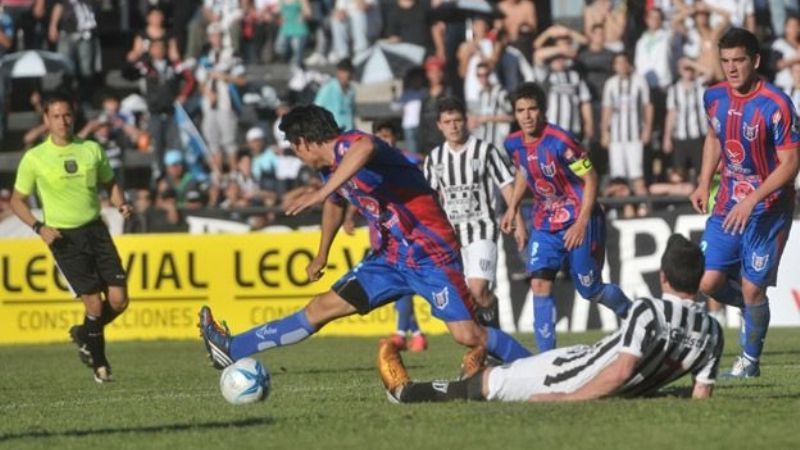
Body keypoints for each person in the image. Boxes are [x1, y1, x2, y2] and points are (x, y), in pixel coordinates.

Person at [198, 104, 532, 373]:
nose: (296, 154)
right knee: (320, 307)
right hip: (389, 259)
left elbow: (366, 147)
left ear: (304, 142)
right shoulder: (330, 171)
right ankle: (231, 349)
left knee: (467, 335)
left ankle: (533, 368)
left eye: (294, 147)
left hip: (430, 255)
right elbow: (334, 203)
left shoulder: (350, 144)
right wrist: (321, 253)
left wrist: (321, 191)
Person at [377, 234, 724, 403]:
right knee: (512, 371)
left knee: (485, 388)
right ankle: (480, 371)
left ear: (663, 276)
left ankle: (406, 393)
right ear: (699, 280)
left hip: (570, 376)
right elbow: (701, 394)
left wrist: (567, 399)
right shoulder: (713, 332)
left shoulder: (649, 310)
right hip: (579, 358)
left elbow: (619, 373)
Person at [689, 28, 800, 378]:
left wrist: (753, 198)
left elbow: (791, 164)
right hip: (727, 205)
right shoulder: (713, 97)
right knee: (706, 282)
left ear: (755, 61)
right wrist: (704, 181)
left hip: (768, 208)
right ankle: (752, 308)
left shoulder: (777, 104)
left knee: (753, 286)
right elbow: (713, 138)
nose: (731, 68)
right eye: (725, 61)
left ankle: (749, 364)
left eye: (738, 60)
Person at [9, 93, 132, 383]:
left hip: (96, 230)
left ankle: (83, 334)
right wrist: (39, 227)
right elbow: (17, 200)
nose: (63, 121)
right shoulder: (35, 158)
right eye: (56, 116)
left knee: (119, 300)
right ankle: (101, 366)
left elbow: (110, 182)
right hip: (63, 237)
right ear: (46, 120)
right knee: (94, 305)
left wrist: (121, 203)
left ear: (73, 117)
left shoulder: (91, 149)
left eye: (67, 115)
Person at [500, 82, 631, 353]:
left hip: (579, 219)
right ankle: (546, 359)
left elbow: (591, 178)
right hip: (546, 222)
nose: (526, 116)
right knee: (539, 282)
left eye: (532, 109)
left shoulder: (561, 141)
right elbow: (524, 171)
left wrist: (582, 223)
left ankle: (635, 317)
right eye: (520, 110)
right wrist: (513, 207)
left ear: (543, 111)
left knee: (590, 288)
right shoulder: (512, 143)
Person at [425, 97, 524, 329]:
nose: (453, 126)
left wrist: (519, 222)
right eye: (447, 121)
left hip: (483, 230)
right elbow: (430, 200)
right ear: (439, 125)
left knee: (478, 290)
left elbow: (507, 187)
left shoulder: (485, 151)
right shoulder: (434, 159)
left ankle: (495, 340)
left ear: (466, 121)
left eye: (457, 120)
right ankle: (487, 348)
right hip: (451, 237)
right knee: (466, 297)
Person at [314, 58, 356, 130]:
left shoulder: (352, 91)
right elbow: (316, 108)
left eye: (347, 71)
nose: (345, 75)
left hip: (348, 131)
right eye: (342, 71)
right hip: (332, 132)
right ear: (338, 72)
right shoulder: (328, 87)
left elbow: (352, 113)